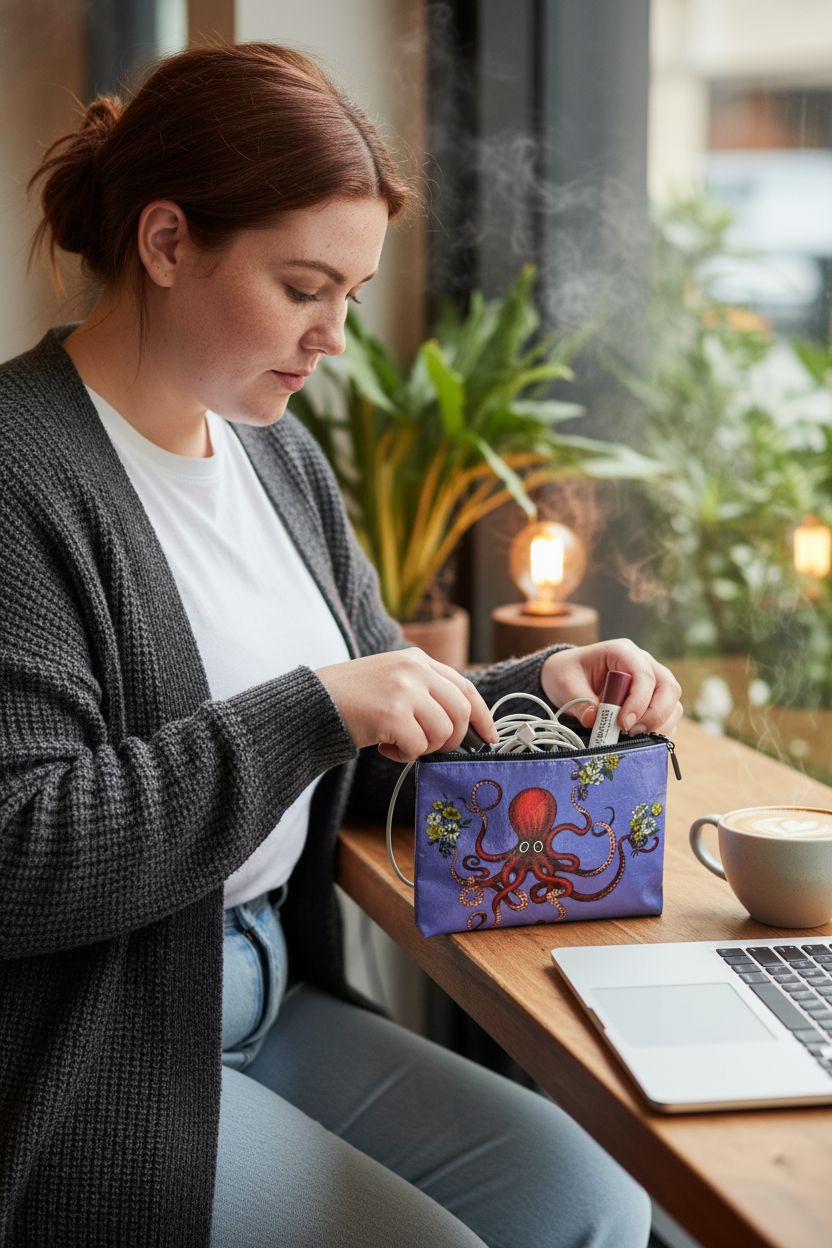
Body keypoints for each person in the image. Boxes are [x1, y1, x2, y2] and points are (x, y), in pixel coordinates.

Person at [0, 40, 682, 1248]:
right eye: (303, 288)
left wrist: (535, 689)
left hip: (267, 985)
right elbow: (22, 855)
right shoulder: (21, 471)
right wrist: (311, 708)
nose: (333, 338)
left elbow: (366, 721)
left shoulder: (275, 455)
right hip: (90, 1042)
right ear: (166, 242)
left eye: (350, 298)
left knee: (589, 1202)